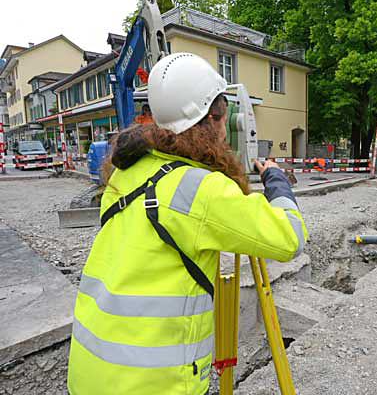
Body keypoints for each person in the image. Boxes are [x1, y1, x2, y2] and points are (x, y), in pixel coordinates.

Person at [67, 53, 307, 395]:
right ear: (214, 118)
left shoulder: (125, 172)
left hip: (90, 372)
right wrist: (276, 180)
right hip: (151, 384)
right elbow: (289, 238)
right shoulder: (202, 189)